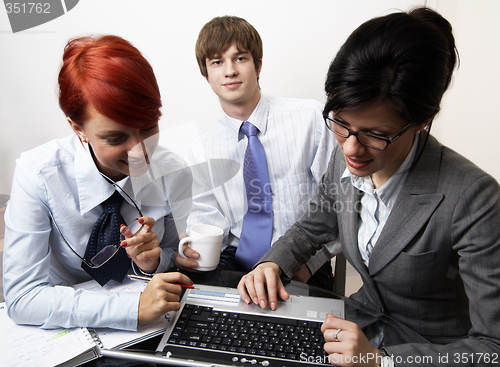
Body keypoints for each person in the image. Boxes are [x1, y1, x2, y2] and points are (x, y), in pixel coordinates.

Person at [238, 7, 500, 366]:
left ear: (423, 121)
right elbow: (313, 227)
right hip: (356, 325)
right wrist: (271, 265)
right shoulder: (344, 157)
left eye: (376, 135)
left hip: (426, 351)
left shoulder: (473, 197)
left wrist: (382, 361)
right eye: (341, 124)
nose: (350, 148)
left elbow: (492, 348)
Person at [3, 35, 193, 330]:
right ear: (77, 128)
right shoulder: (37, 174)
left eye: (148, 128)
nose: (140, 151)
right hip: (65, 334)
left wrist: (154, 262)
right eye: (116, 138)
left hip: (149, 332)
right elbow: (22, 299)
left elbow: (171, 255)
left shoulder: (173, 170)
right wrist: (130, 309)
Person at [178, 16, 339, 290]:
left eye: (240, 58)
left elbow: (339, 200)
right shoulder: (201, 151)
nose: (229, 71)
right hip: (235, 264)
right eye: (217, 62)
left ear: (258, 65)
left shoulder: (310, 119)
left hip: (301, 262)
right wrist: (191, 250)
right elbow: (208, 225)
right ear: (206, 75)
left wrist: (311, 262)